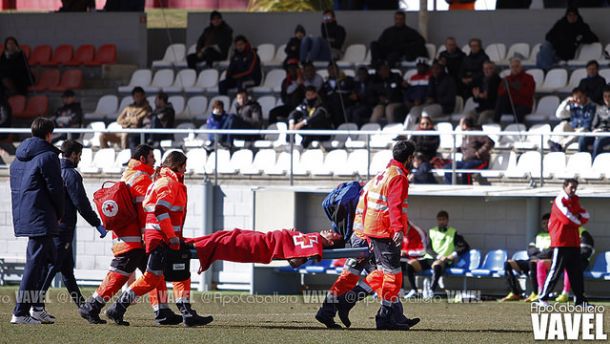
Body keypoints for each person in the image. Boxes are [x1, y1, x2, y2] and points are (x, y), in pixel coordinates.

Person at [106, 151, 213, 327]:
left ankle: (187, 312)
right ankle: (118, 307)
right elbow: (161, 210)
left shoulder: (164, 181)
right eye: (184, 166)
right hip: (161, 239)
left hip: (164, 237)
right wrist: (171, 237)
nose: (186, 170)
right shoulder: (168, 183)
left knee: (182, 274)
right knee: (152, 278)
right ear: (177, 166)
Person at [79, 145, 182, 325]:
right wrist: (149, 236)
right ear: (142, 159)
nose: (155, 161)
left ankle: (162, 311)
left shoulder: (130, 174)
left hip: (129, 237)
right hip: (134, 239)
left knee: (154, 273)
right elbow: (145, 212)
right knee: (119, 275)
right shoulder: (141, 178)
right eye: (152, 157)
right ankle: (92, 306)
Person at [315, 181, 422, 330]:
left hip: (358, 238)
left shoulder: (357, 193)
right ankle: (345, 303)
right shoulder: (374, 193)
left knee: (354, 277)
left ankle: (330, 309)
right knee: (381, 276)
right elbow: (373, 218)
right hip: (365, 238)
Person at [39, 140, 107, 310]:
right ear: (74, 154)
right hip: (64, 228)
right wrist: (97, 223)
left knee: (67, 270)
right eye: (80, 156)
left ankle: (83, 307)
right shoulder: (71, 174)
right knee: (52, 266)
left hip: (51, 225)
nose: (80, 159)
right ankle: (35, 304)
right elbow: (81, 204)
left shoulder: (53, 171)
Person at [9, 117, 64, 324]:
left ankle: (36, 306)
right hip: (42, 215)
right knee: (35, 263)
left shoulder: (19, 158)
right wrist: (60, 212)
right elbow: (56, 189)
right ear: (49, 134)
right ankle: (21, 312)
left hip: (26, 213)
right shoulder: (48, 157)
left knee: (50, 260)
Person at [363, 140, 416, 330]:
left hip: (374, 229)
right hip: (384, 231)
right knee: (393, 277)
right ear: (409, 158)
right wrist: (398, 230)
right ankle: (384, 317)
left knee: (385, 275)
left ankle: (393, 316)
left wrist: (367, 232)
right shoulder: (399, 177)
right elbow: (394, 207)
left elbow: (370, 202)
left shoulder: (384, 173)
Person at [536, 179, 590, 306]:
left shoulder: (574, 200)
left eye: (575, 187)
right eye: (571, 187)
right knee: (555, 270)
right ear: (565, 187)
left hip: (574, 243)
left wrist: (578, 218)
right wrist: (578, 220)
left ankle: (580, 300)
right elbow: (567, 218)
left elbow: (585, 214)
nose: (573, 190)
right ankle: (542, 298)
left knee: (576, 273)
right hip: (561, 242)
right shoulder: (560, 200)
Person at [190, 229, 342, 272]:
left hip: (264, 245)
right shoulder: (312, 238)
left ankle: (190, 246)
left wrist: (302, 255)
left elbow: (295, 261)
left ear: (330, 242)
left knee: (225, 242)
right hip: (265, 236)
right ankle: (190, 242)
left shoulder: (315, 244)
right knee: (225, 234)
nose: (330, 230)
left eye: (334, 234)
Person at [404, 210, 470, 299]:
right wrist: (438, 256)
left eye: (443, 219)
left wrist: (453, 255)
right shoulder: (432, 231)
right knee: (410, 263)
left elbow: (465, 247)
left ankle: (431, 291)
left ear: (447, 221)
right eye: (439, 220)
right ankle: (414, 290)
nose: (441, 221)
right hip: (431, 258)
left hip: (444, 260)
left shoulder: (453, 233)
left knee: (437, 264)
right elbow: (428, 248)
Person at [499, 213, 552, 302]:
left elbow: (551, 251)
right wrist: (537, 255)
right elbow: (530, 249)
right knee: (508, 263)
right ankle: (515, 293)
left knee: (533, 262)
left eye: (548, 223)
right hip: (533, 260)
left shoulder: (555, 235)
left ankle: (536, 293)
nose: (545, 225)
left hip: (547, 262)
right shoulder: (538, 236)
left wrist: (537, 256)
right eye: (543, 223)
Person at [536, 226, 594, 303]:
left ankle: (566, 293)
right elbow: (552, 249)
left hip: (580, 260)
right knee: (541, 263)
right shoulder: (559, 229)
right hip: (561, 257)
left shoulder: (583, 233)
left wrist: (572, 256)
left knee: (570, 266)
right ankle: (541, 293)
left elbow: (587, 250)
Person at [444, 115, 494, 184]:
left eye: (460, 123)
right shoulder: (465, 135)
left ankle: (467, 189)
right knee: (448, 167)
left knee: (465, 170)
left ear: (465, 125)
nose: (459, 125)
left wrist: (479, 153)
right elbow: (468, 148)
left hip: (479, 161)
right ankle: (450, 187)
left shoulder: (475, 133)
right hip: (466, 161)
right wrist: (457, 149)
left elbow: (490, 142)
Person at [549, 87, 596, 152]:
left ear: (585, 95)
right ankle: (556, 143)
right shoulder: (572, 106)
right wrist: (566, 102)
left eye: (580, 97)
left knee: (582, 130)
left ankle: (562, 145)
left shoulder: (593, 106)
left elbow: (593, 123)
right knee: (563, 124)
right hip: (573, 129)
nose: (578, 100)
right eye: (576, 98)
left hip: (585, 131)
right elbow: (559, 115)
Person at [495, 58, 535, 124]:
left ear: (521, 67)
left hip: (524, 106)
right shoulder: (507, 79)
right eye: (512, 67)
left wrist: (518, 88)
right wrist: (505, 88)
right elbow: (500, 94)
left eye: (517, 66)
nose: (515, 69)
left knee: (519, 112)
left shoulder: (528, 78)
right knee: (501, 99)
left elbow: (529, 94)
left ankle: (515, 129)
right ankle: (495, 123)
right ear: (510, 68)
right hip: (510, 105)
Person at [319, 63, 355, 127]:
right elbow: (322, 97)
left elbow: (353, 92)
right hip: (331, 106)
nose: (332, 71)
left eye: (333, 69)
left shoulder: (347, 80)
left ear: (338, 69)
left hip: (345, 104)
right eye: (330, 69)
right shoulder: (325, 85)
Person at [580, 86, 610, 158]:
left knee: (598, 141)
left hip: (608, 134)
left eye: (609, 96)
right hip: (599, 132)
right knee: (582, 139)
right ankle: (583, 163)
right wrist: (595, 130)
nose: (607, 99)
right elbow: (594, 124)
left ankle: (594, 165)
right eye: (605, 96)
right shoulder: (600, 109)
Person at [471, 61, 501, 125]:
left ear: (494, 69)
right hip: (482, 107)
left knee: (483, 116)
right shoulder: (481, 80)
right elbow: (476, 99)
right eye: (485, 69)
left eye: (489, 68)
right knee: (469, 115)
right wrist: (477, 96)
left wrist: (483, 96)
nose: (486, 71)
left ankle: (478, 132)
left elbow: (494, 97)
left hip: (493, 108)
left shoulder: (498, 81)